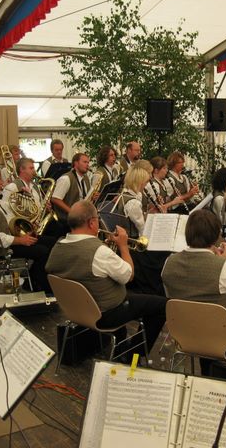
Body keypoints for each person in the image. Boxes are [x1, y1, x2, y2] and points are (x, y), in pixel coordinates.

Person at [46, 200, 166, 357]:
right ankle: (131, 354)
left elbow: (76, 265)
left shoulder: (58, 246)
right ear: (92, 223)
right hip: (104, 314)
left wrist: (105, 249)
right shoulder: (99, 252)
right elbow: (129, 275)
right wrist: (123, 246)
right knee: (163, 306)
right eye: (97, 219)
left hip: (74, 310)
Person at [161, 209, 226, 374]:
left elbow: (173, 297)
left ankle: (209, 369)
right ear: (215, 236)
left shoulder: (169, 262)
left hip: (184, 333)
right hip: (220, 337)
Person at [0, 168, 55, 292]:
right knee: (43, 251)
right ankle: (39, 285)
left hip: (11, 237)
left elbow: (8, 216)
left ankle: (35, 277)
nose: (1, 182)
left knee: (52, 242)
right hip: (2, 248)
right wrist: (20, 240)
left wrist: (25, 226)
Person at [51, 153, 92, 227]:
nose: (87, 165)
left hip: (81, 217)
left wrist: (92, 196)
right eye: (84, 162)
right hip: (67, 221)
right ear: (76, 163)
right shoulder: (65, 179)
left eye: (88, 162)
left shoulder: (86, 178)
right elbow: (55, 199)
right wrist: (72, 212)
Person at [114, 165, 150, 238]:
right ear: (140, 182)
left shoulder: (125, 193)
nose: (146, 185)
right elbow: (141, 228)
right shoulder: (133, 203)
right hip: (132, 239)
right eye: (146, 182)